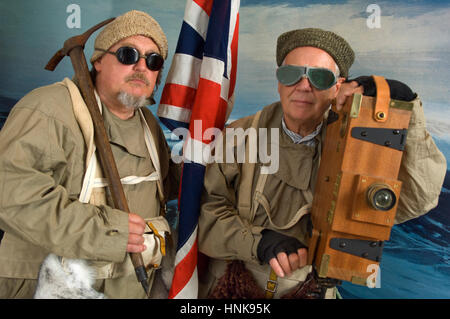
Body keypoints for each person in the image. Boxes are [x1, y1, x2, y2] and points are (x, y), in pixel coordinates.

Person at [197, 28, 447, 299]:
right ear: (278, 81)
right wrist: (258, 243)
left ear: (338, 87)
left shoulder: (361, 146)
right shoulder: (238, 137)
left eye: (319, 77)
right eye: (290, 74)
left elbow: (419, 198)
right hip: (231, 288)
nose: (303, 86)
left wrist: (407, 108)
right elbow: (205, 217)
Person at [0, 10, 180, 298]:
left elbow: (164, 186)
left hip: (131, 288)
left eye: (153, 60)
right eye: (128, 55)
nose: (141, 66)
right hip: (48, 286)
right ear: (98, 60)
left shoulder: (147, 125)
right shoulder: (48, 110)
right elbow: (11, 194)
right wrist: (109, 231)